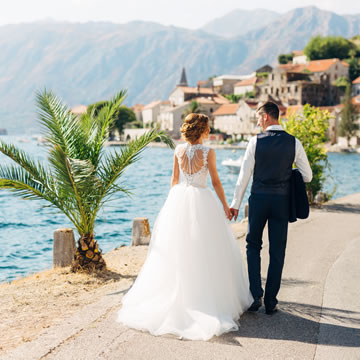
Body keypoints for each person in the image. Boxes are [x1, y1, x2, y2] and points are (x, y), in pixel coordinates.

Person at [117, 113, 253, 341]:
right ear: (202, 129)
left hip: (178, 199)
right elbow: (216, 181)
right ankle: (204, 299)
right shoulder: (208, 152)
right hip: (202, 199)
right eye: (208, 126)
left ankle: (179, 296)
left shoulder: (178, 150)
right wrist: (226, 206)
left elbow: (174, 179)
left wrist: (171, 205)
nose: (210, 129)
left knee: (178, 250)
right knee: (206, 249)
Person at [229, 101, 312, 315]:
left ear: (266, 116)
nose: (257, 121)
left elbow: (244, 176)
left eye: (258, 117)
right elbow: (308, 176)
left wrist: (235, 204)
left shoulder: (255, 142)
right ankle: (271, 301)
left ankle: (256, 294)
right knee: (277, 251)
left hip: (258, 200)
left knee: (253, 245)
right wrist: (289, 173)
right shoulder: (294, 142)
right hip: (281, 202)